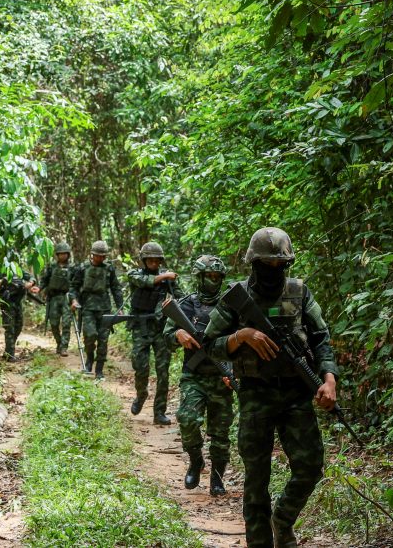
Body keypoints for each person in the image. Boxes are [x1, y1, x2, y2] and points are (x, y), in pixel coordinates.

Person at [203, 228, 339, 548]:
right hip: (255, 393)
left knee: (309, 467)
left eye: (280, 264)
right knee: (256, 481)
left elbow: (321, 339)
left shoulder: (299, 292)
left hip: (296, 393)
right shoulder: (236, 297)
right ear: (253, 263)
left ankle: (283, 519)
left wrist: (329, 379)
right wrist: (242, 337)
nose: (274, 270)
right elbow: (209, 344)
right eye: (267, 264)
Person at [165, 254, 235, 495]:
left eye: (217, 276)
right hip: (193, 375)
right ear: (199, 277)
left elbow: (241, 342)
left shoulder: (231, 305)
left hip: (221, 375)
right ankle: (196, 460)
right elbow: (166, 335)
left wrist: (234, 372)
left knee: (220, 431)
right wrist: (177, 335)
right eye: (209, 276)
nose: (213, 280)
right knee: (187, 418)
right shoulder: (185, 304)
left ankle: (217, 478)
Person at [126, 241, 182, 425]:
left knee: (163, 372)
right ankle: (141, 395)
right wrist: (165, 276)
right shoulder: (135, 274)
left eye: (157, 260)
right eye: (150, 260)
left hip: (160, 328)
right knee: (140, 367)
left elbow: (182, 298)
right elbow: (144, 281)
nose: (154, 264)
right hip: (141, 327)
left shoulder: (168, 279)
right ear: (144, 260)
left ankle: (159, 412)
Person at [69, 240, 123, 379]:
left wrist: (120, 307)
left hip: (105, 308)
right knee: (90, 335)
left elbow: (116, 288)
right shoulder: (82, 268)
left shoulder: (109, 269)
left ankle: (99, 370)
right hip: (87, 308)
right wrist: (74, 300)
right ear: (92, 255)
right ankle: (89, 361)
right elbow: (73, 287)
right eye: (98, 256)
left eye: (103, 256)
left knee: (103, 340)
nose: (100, 258)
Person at [0, 268, 38, 361]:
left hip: (18, 302)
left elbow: (32, 278)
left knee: (19, 326)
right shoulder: (1, 272)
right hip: (7, 302)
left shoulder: (19, 270)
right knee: (10, 328)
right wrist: (2, 281)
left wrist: (30, 283)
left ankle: (8, 352)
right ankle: (10, 355)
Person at [39, 242, 76, 356]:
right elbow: (44, 280)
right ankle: (59, 343)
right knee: (54, 323)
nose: (63, 256)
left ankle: (64, 347)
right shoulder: (51, 267)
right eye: (60, 254)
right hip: (54, 298)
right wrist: (41, 289)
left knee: (66, 323)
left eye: (65, 254)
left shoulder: (73, 268)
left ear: (68, 255)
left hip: (67, 298)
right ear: (57, 255)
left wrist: (75, 298)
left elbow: (76, 284)